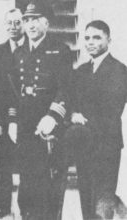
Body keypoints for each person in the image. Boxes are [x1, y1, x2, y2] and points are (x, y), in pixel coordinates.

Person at [6, 1, 72, 219]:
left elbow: (66, 88)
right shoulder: (20, 52)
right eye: (26, 20)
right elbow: (13, 91)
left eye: (35, 20)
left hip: (48, 125)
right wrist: (13, 120)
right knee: (26, 177)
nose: (30, 25)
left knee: (47, 179)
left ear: (46, 22)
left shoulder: (60, 50)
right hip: (24, 124)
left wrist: (53, 116)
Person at [63, 20, 127, 220]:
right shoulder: (81, 71)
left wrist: (84, 120)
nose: (90, 42)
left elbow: (112, 109)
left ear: (109, 39)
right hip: (84, 145)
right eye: (87, 38)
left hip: (106, 146)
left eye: (97, 37)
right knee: (87, 203)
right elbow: (71, 101)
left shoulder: (119, 70)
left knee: (102, 205)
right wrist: (73, 114)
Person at [0, 8, 25, 219]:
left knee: (27, 163)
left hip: (29, 116)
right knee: (3, 163)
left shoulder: (32, 50)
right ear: (5, 25)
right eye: (9, 23)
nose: (13, 27)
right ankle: (3, 207)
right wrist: (0, 120)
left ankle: (24, 208)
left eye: (17, 23)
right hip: (3, 116)